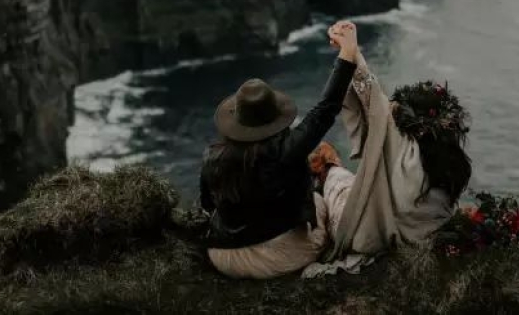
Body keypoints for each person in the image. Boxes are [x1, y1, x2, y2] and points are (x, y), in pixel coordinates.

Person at [303, 21, 472, 277]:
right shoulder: (453, 162)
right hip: (422, 234)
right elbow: (378, 104)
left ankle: (327, 168)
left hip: (370, 234)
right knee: (352, 181)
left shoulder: (401, 146)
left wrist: (350, 50)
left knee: (336, 179)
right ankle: (328, 166)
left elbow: (372, 96)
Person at [199, 23, 359, 279]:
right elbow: (325, 109)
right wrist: (348, 52)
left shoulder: (211, 156)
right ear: (274, 118)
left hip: (224, 256)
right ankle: (330, 174)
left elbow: (208, 205)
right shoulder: (285, 152)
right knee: (320, 201)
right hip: (278, 257)